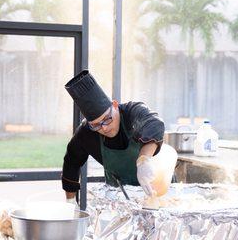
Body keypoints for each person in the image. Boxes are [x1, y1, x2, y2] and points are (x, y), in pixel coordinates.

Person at [62, 70, 165, 204]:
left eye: (107, 119)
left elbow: (154, 123)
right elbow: (71, 162)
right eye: (96, 125)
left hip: (159, 191)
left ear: (115, 105)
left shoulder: (132, 112)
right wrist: (70, 203)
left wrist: (143, 160)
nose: (104, 128)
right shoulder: (87, 133)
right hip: (121, 202)